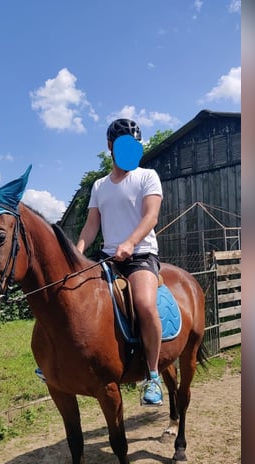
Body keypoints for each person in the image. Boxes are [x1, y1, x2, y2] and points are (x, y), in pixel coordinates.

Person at [76, 118, 165, 406]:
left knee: (145, 304)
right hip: (107, 258)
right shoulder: (99, 185)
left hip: (141, 255)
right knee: (77, 301)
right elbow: (92, 225)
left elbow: (150, 216)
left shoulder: (147, 176)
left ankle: (153, 376)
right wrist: (78, 250)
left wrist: (130, 243)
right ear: (111, 147)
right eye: (123, 145)